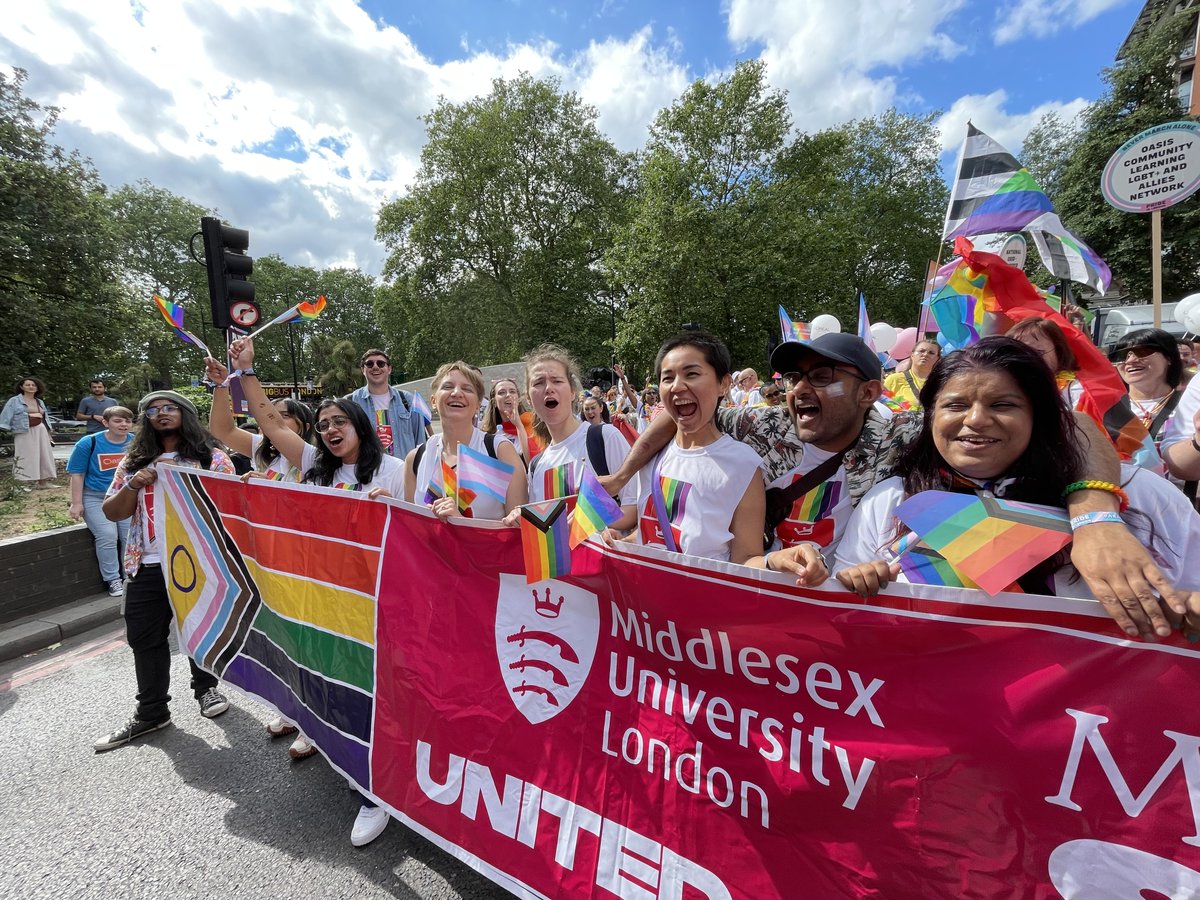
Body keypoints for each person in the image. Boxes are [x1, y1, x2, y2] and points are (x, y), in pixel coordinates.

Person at [604, 334, 1195, 638]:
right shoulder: (764, 425)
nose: (802, 390)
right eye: (797, 377)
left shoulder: (910, 437)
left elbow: (1075, 425)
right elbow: (679, 410)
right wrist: (628, 472)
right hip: (796, 634)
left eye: (826, 377)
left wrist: (1094, 512)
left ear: (869, 393)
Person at [834, 338, 1200, 610]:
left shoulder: (1143, 494)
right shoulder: (892, 499)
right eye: (956, 405)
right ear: (930, 416)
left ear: (1039, 415)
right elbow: (842, 608)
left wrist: (1096, 518)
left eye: (1003, 404)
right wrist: (858, 585)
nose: (975, 420)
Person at [227, 337, 401, 846]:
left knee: (373, 694)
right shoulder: (311, 466)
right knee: (331, 688)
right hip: (324, 602)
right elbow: (268, 423)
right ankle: (351, 765)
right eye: (322, 425)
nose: (329, 431)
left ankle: (375, 794)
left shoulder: (393, 469)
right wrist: (246, 372)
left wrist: (396, 504)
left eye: (339, 422)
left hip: (374, 602)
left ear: (359, 426)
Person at [93, 391, 236, 753]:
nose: (161, 414)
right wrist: (136, 482)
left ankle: (206, 690)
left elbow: (231, 509)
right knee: (144, 638)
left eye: (169, 408)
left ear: (185, 414)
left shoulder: (211, 458)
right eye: (153, 410)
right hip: (147, 563)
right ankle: (152, 712)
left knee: (198, 630)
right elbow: (112, 512)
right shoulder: (133, 461)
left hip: (197, 562)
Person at [627, 332, 825, 581]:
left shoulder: (742, 465)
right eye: (668, 378)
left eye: (692, 374)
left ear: (724, 384)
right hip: (640, 610)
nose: (677, 386)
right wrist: (617, 541)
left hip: (700, 609)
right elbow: (649, 530)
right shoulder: (650, 456)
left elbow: (745, 558)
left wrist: (774, 561)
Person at [204, 355, 320, 758]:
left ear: (302, 428)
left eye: (284, 416)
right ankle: (290, 709)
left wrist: (246, 375)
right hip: (265, 568)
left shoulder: (311, 460)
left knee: (307, 647)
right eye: (273, 416)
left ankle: (314, 724)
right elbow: (220, 428)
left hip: (303, 570)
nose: (271, 421)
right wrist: (222, 385)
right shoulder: (263, 454)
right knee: (280, 642)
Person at [510, 344, 637, 534]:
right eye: (538, 383)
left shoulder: (604, 437)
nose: (548, 389)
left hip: (600, 561)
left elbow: (633, 508)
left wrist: (586, 522)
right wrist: (523, 517)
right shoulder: (537, 466)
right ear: (529, 399)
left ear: (571, 392)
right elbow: (543, 529)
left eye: (557, 381)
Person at [403, 361, 526, 520]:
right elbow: (410, 527)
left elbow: (517, 529)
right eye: (448, 387)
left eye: (467, 389)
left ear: (477, 405)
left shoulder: (500, 451)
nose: (456, 393)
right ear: (433, 401)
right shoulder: (415, 458)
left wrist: (461, 524)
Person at [67, 405, 134, 596]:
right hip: (94, 497)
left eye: (127, 420)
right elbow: (77, 474)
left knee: (129, 535)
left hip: (124, 496)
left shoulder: (135, 442)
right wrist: (77, 503)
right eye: (118, 420)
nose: (123, 424)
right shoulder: (89, 443)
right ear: (105, 422)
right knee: (107, 534)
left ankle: (129, 577)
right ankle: (113, 580)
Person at [344, 348, 428, 461]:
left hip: (402, 473)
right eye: (369, 364)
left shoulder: (408, 400)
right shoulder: (350, 402)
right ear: (363, 370)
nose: (375, 367)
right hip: (366, 474)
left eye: (381, 363)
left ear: (389, 369)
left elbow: (420, 441)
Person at [1109, 329, 1185, 451]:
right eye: (1122, 355)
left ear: (1169, 357)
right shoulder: (1107, 409)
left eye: (1142, 351)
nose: (1130, 361)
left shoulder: (1190, 403)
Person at [1008, 317, 1084, 409]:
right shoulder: (1006, 389)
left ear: (1058, 352)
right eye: (1019, 353)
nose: (1027, 358)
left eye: (1037, 352)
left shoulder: (1076, 391)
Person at [0, 376, 56, 489]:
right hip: (24, 431)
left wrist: (49, 433)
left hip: (40, 430)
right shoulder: (15, 401)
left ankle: (42, 483)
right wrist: (30, 415)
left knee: (43, 455)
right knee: (24, 456)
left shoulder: (39, 401)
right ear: (22, 387)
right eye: (28, 385)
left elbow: (45, 418)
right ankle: (20, 485)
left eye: (33, 385)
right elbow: (6, 417)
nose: (31, 387)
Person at [481, 376, 541, 463]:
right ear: (494, 402)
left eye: (512, 391)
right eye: (502, 392)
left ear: (518, 398)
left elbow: (534, 463)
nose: (508, 395)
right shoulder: (487, 435)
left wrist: (519, 425)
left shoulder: (535, 423)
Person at [883, 339, 940, 408]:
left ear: (937, 358)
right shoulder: (894, 380)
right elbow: (883, 404)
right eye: (921, 351)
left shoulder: (942, 382)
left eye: (931, 353)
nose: (925, 354)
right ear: (912, 355)